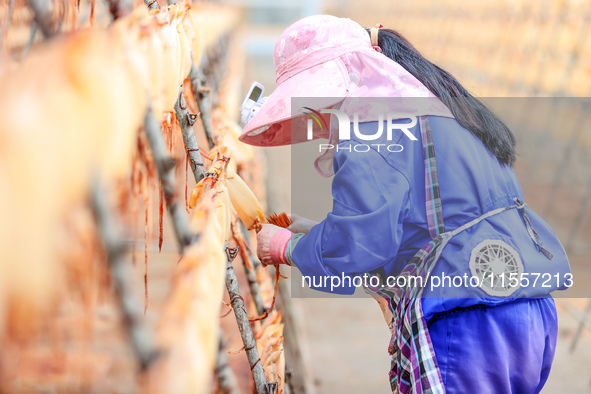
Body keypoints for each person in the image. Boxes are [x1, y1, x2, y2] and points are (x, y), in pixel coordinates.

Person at [238, 15, 571, 394]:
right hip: (527, 310)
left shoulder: (369, 130)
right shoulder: (438, 109)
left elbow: (358, 245)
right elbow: (424, 221)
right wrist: (319, 233)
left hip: (467, 326)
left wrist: (285, 247)